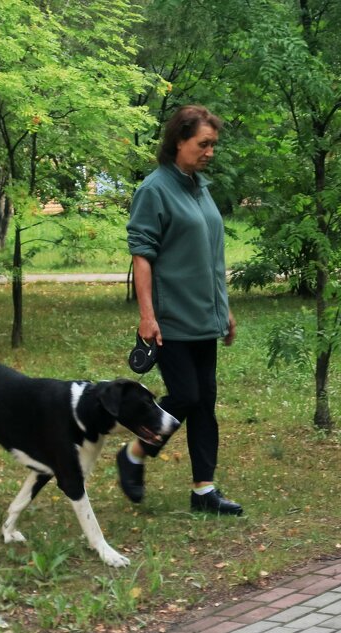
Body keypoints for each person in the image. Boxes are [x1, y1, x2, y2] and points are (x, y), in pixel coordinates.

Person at [117, 105, 242, 515]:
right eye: (203, 144)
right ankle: (134, 452)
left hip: (205, 316)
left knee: (205, 401)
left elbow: (211, 254)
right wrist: (147, 316)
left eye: (213, 145)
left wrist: (223, 309)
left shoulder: (199, 187)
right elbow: (142, 256)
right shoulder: (154, 189)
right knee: (186, 395)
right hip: (170, 320)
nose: (210, 152)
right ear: (178, 142)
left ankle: (204, 490)